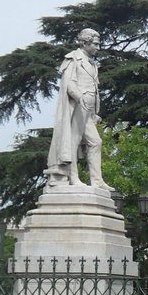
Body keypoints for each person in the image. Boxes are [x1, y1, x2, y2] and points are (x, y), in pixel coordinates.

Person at [45, 28, 109, 189]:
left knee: (96, 142)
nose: (98, 47)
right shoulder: (73, 59)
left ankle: (97, 181)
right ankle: (73, 177)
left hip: (88, 110)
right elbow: (70, 84)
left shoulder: (92, 63)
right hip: (79, 106)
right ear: (85, 42)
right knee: (72, 141)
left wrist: (94, 113)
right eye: (95, 44)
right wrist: (80, 98)